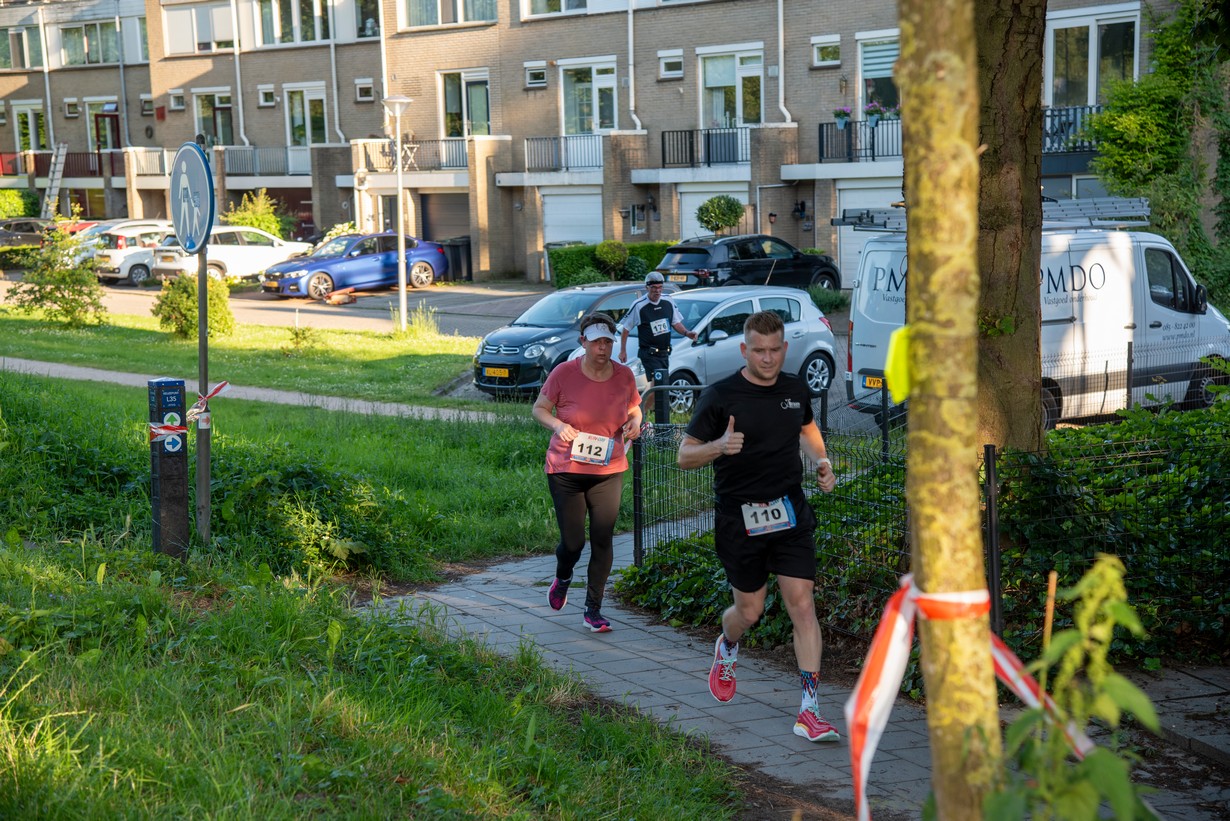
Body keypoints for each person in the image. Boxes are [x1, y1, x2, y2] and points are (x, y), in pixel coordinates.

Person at [676, 310, 840, 742]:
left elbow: (807, 428)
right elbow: (684, 455)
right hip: (740, 518)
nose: (767, 359)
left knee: (802, 604)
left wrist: (822, 461)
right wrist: (718, 446)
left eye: (774, 350)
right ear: (744, 350)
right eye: (758, 351)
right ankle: (728, 644)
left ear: (784, 349)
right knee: (750, 611)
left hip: (789, 513)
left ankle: (809, 710)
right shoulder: (721, 395)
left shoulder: (794, 389)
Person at [533, 312, 643, 633]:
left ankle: (593, 609)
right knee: (573, 544)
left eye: (608, 342)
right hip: (566, 470)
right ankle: (563, 576)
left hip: (608, 469)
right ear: (583, 342)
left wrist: (635, 422)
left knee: (602, 539)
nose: (603, 348)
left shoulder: (624, 375)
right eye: (596, 342)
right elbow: (539, 409)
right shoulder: (564, 373)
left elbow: (634, 408)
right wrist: (558, 425)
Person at [618, 271, 698, 386]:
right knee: (658, 384)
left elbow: (675, 322)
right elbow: (626, 329)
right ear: (647, 288)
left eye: (660, 287)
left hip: (664, 353)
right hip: (649, 353)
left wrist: (687, 333)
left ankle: (643, 399)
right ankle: (645, 398)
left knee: (659, 386)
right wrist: (623, 351)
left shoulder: (668, 300)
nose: (657, 291)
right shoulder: (639, 305)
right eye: (654, 288)